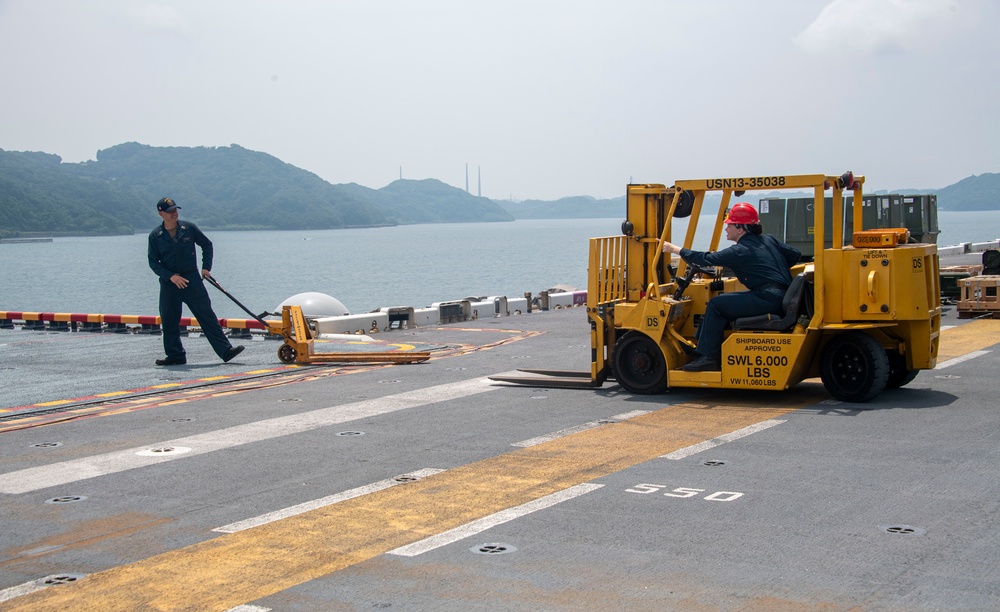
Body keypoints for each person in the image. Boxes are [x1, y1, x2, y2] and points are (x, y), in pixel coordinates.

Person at [661, 202, 800, 372]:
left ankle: (709, 358)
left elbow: (706, 258)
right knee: (723, 301)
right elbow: (795, 255)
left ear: (740, 228)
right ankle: (702, 349)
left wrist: (674, 249)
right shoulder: (768, 240)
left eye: (729, 225)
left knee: (716, 305)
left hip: (768, 298)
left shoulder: (740, 251)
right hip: (779, 294)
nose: (726, 228)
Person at [147, 197, 244, 366]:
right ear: (161, 213)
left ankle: (225, 351)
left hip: (191, 279)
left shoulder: (188, 228)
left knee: (206, 315)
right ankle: (175, 355)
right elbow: (153, 262)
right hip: (170, 283)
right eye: (170, 211)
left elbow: (206, 244)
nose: (174, 214)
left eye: (175, 210)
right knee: (169, 320)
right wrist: (170, 276)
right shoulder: (156, 236)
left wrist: (206, 268)